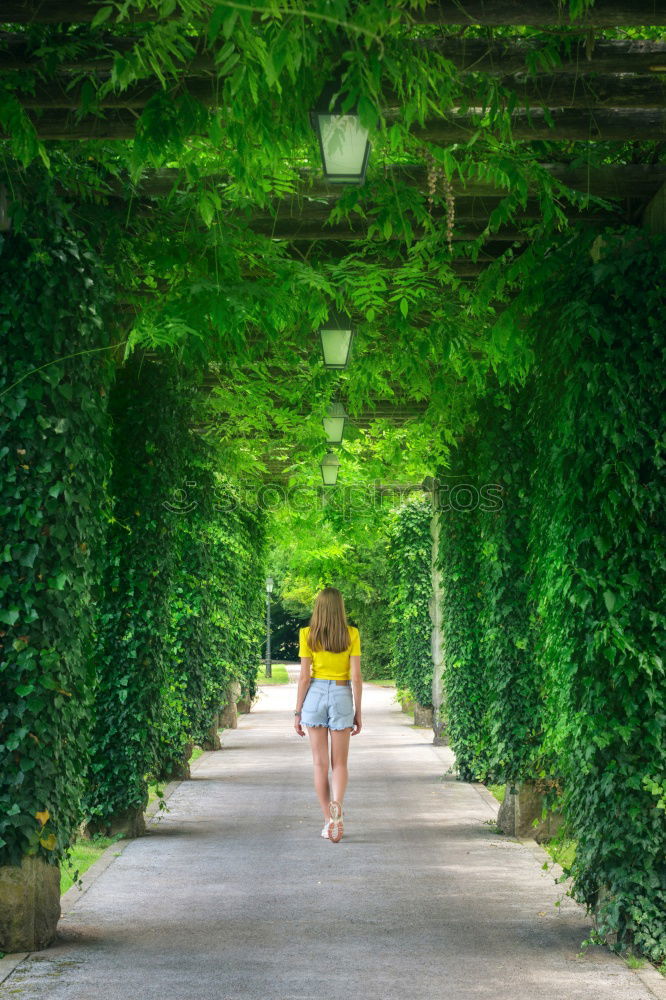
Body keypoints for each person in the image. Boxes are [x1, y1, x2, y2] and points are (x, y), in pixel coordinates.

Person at [294, 586, 362, 842]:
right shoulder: (351, 634)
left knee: (319, 764)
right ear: (340, 608)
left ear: (318, 608)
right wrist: (359, 711)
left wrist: (297, 712)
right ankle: (337, 806)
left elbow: (303, 677)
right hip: (342, 694)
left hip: (315, 693)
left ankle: (327, 819)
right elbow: (356, 676)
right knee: (340, 763)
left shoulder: (307, 634)